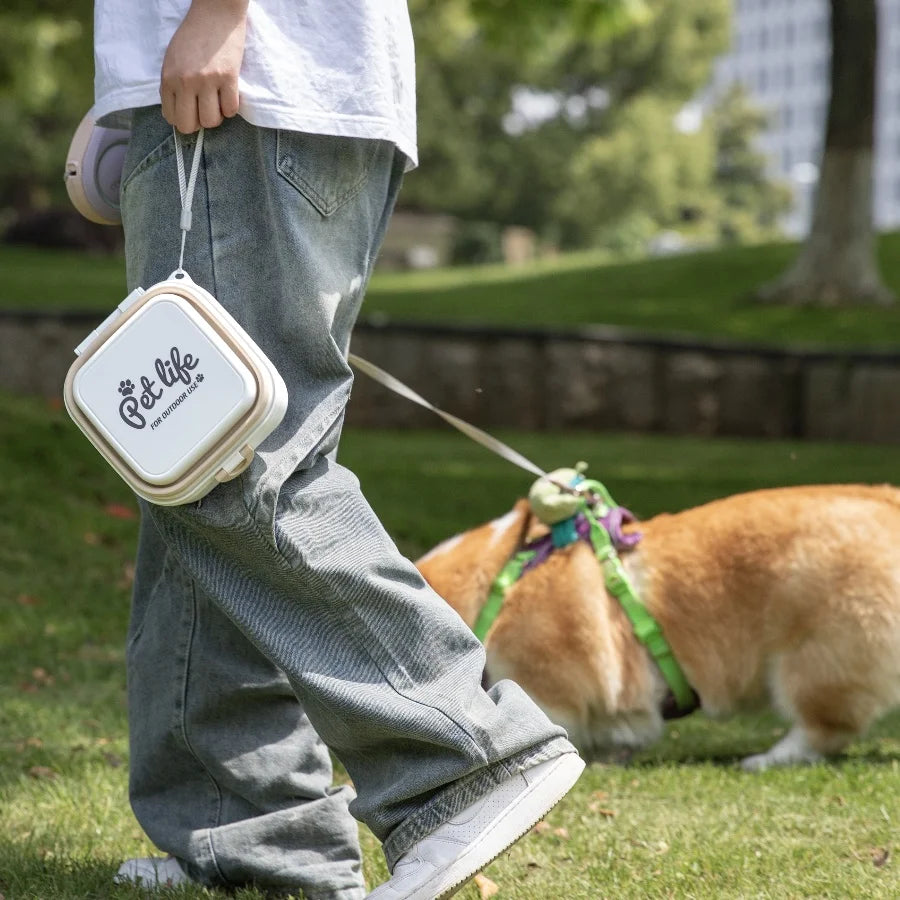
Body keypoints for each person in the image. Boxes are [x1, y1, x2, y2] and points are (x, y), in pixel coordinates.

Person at [92, 1, 584, 897]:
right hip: (262, 89)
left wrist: (216, 15)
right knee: (186, 471)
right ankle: (249, 832)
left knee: (231, 462)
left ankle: (463, 758)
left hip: (249, 87)